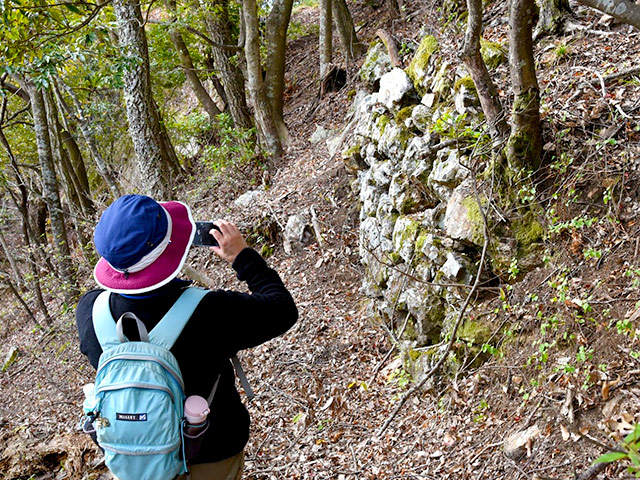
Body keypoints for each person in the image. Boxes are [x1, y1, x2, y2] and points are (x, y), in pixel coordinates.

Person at [75, 194, 298, 480]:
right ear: (172, 249)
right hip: (212, 456)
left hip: (137, 461)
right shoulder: (210, 311)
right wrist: (242, 256)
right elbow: (282, 309)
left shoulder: (90, 312)